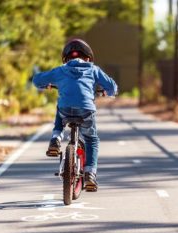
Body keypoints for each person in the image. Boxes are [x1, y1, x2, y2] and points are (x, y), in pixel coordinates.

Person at [33, 39, 118, 191]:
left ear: (66, 59)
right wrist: (108, 92)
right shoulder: (93, 69)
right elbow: (111, 86)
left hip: (65, 110)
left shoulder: (61, 70)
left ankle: (55, 139)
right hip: (86, 111)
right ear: (88, 58)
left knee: (61, 106)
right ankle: (90, 174)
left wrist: (44, 85)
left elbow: (37, 79)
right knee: (92, 140)